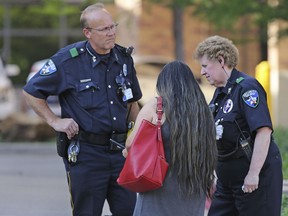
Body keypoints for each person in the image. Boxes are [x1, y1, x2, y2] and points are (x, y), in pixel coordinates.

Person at [23, 3, 142, 216]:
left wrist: (142, 139)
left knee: (130, 212)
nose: (112, 32)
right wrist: (55, 121)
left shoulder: (123, 59)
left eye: (113, 26)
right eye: (104, 29)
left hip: (121, 154)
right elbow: (31, 92)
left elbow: (132, 103)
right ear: (87, 32)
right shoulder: (68, 60)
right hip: (87, 155)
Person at [194, 35, 283, 216]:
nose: (202, 72)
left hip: (253, 179)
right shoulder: (220, 95)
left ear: (221, 60)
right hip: (227, 181)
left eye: (205, 66)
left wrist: (253, 173)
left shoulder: (247, 88)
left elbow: (263, 131)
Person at [123, 60, 218, 216]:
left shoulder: (156, 106)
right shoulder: (204, 112)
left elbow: (131, 143)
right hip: (192, 198)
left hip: (157, 197)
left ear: (163, 84)